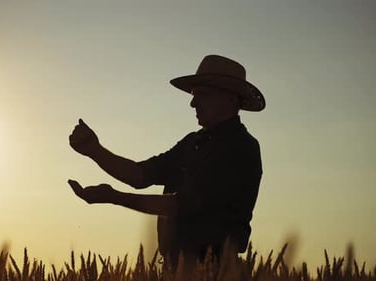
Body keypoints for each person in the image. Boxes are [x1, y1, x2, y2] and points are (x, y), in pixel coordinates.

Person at [68, 54, 265, 269]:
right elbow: (140, 174)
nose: (192, 103)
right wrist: (95, 150)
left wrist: (115, 197)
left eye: (202, 94)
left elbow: (181, 205)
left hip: (213, 271)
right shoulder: (192, 142)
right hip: (175, 269)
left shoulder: (240, 147)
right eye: (193, 94)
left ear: (230, 99)